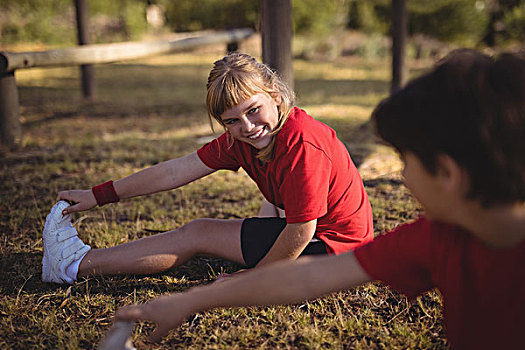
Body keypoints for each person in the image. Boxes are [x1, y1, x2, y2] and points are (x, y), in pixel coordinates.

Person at [115, 49, 525, 349]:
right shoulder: (438, 237)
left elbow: (304, 241)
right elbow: (306, 278)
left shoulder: (305, 143)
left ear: (448, 174)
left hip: (323, 238)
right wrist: (192, 301)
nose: (400, 175)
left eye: (405, 161)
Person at [42, 52, 373, 285]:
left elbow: (302, 230)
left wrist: (254, 279)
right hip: (317, 238)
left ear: (274, 95)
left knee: (198, 232)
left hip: (339, 255)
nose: (247, 126)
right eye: (232, 121)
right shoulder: (239, 139)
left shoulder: (301, 141)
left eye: (254, 110)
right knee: (269, 205)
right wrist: (98, 196)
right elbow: (175, 171)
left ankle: (74, 265)